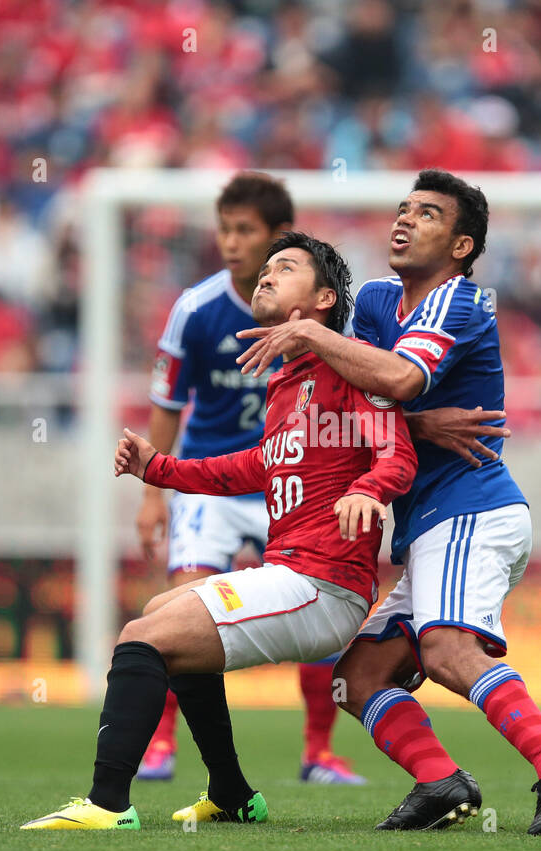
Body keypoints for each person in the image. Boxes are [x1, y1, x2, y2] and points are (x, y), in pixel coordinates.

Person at [236, 169, 541, 835]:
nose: (404, 220)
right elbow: (356, 394)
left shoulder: (458, 301)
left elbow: (403, 377)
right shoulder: (378, 302)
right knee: (357, 676)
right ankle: (440, 783)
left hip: (471, 507)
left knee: (443, 650)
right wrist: (413, 423)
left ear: (462, 246)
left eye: (429, 214)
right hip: (430, 523)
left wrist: (315, 337)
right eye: (403, 208)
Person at [22, 234, 415, 830]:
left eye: (284, 268)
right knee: (161, 613)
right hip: (294, 575)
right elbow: (251, 467)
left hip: (325, 585)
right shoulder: (287, 384)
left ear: (325, 298)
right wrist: (158, 468)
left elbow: (397, 455)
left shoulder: (351, 368)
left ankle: (107, 805)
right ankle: (232, 794)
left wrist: (368, 490)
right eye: (265, 269)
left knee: (141, 637)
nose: (264, 276)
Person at [139, 171, 365, 787]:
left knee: (315, 608)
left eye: (247, 232)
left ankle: (317, 752)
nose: (232, 243)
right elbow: (168, 404)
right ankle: (159, 742)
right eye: (225, 230)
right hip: (212, 483)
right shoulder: (198, 308)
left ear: (276, 241)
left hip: (291, 486)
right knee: (181, 606)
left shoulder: (318, 327)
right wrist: (153, 495)